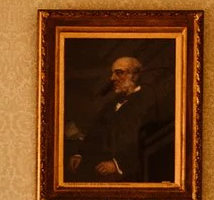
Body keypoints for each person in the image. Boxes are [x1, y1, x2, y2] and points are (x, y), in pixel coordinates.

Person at [62, 53, 173, 184]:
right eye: (113, 73)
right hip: (97, 167)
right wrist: (80, 154)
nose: (112, 78)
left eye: (119, 73)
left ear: (135, 75)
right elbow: (96, 131)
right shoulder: (112, 104)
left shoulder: (149, 99)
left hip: (131, 174)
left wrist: (117, 164)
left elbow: (148, 140)